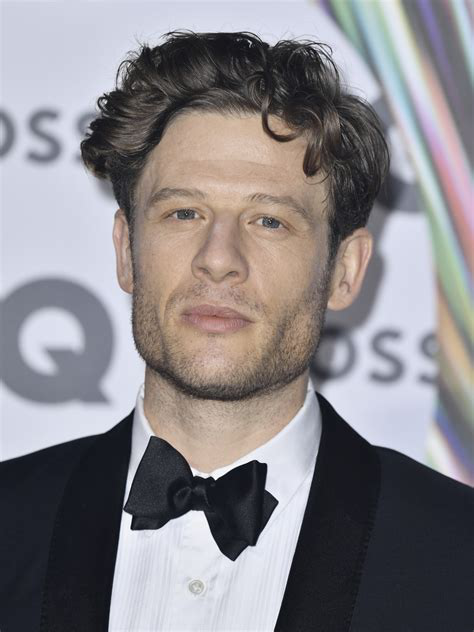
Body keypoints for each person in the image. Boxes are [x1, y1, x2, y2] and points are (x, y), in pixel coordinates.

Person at [0, 31, 472, 632]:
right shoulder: (10, 521)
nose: (218, 259)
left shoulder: (458, 555)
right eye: (184, 212)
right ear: (126, 250)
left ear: (345, 271)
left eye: (269, 220)